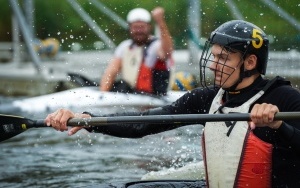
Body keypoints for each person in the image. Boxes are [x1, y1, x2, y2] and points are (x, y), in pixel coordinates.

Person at [45, 20, 300, 187]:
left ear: (250, 63)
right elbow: (143, 124)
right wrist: (87, 119)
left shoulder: (283, 98)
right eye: (213, 57)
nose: (213, 65)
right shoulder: (207, 98)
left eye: (223, 58)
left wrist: (281, 126)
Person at [100, 7, 174, 96]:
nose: (139, 31)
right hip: (130, 93)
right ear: (130, 28)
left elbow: (167, 52)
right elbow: (111, 72)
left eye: (142, 27)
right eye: (135, 27)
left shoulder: (156, 45)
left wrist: (160, 22)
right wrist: (102, 95)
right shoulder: (124, 46)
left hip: (153, 96)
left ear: (149, 27)